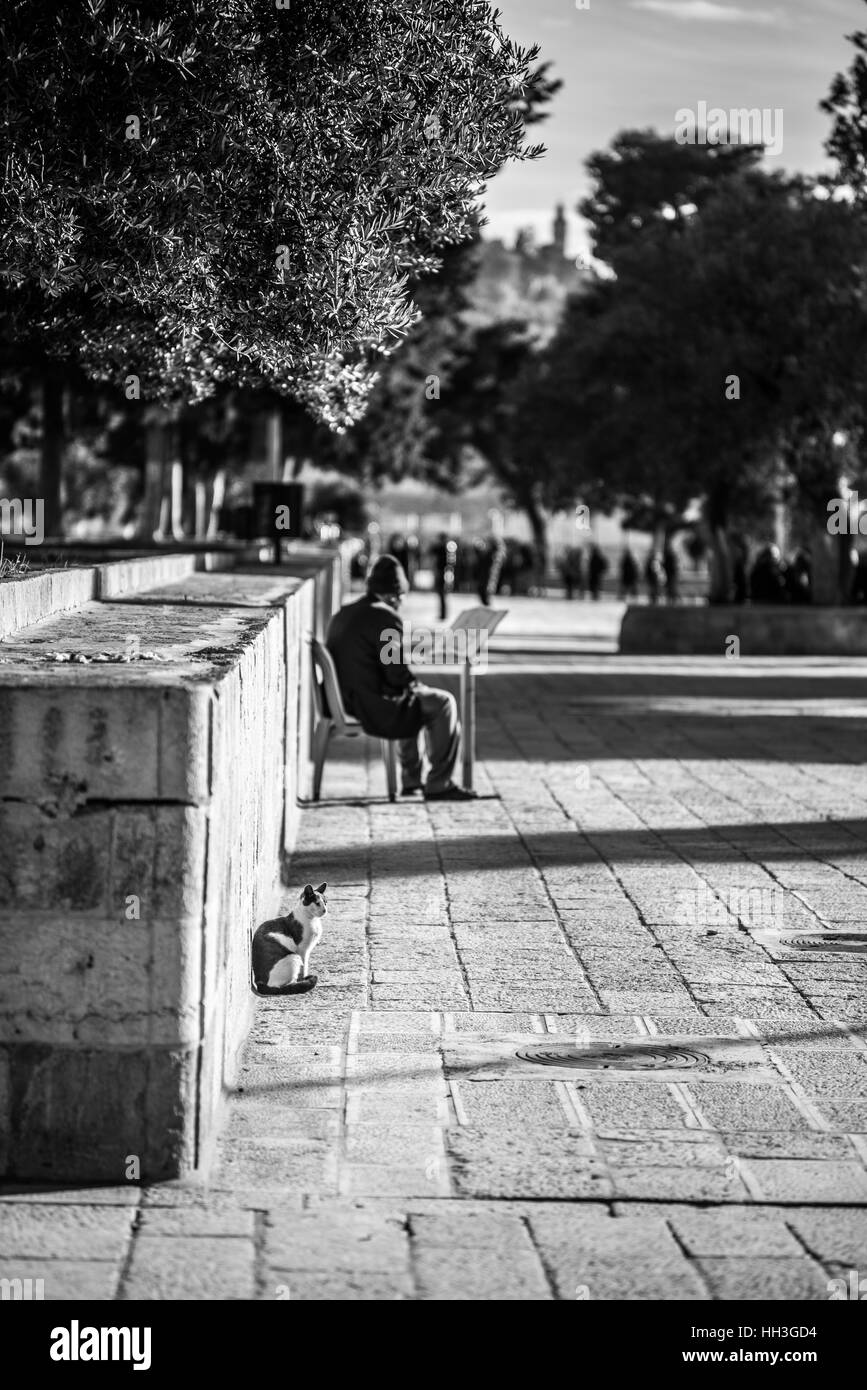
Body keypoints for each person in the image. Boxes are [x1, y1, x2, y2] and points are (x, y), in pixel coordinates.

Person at [326, 554, 476, 801]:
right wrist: (415, 684)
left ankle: (412, 779)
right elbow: (396, 673)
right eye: (402, 596)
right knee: (442, 703)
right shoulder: (385, 617)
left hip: (344, 698)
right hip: (369, 703)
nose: (402, 602)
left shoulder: (345, 612)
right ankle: (439, 783)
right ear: (394, 595)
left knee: (411, 697)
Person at [431, 533, 454, 622]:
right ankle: (443, 614)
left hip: (443, 573)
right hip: (446, 572)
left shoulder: (443, 547)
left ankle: (443, 614)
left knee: (442, 594)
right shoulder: (449, 547)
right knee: (442, 595)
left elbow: (432, 550)